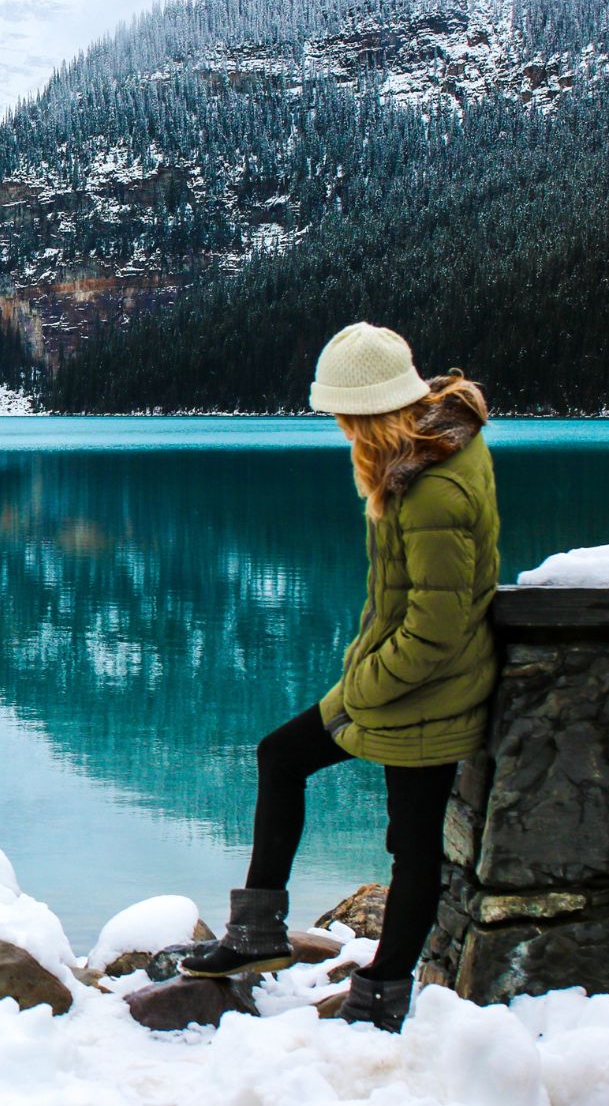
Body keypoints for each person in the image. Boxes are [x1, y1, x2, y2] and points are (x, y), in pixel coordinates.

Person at [180, 322, 499, 1033]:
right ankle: (258, 932)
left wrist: (361, 688)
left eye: (345, 415)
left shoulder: (434, 491)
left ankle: (382, 993)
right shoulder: (422, 455)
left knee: (413, 846)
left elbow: (436, 629)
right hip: (394, 681)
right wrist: (363, 677)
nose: (339, 429)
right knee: (281, 754)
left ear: (374, 409)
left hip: (429, 692)